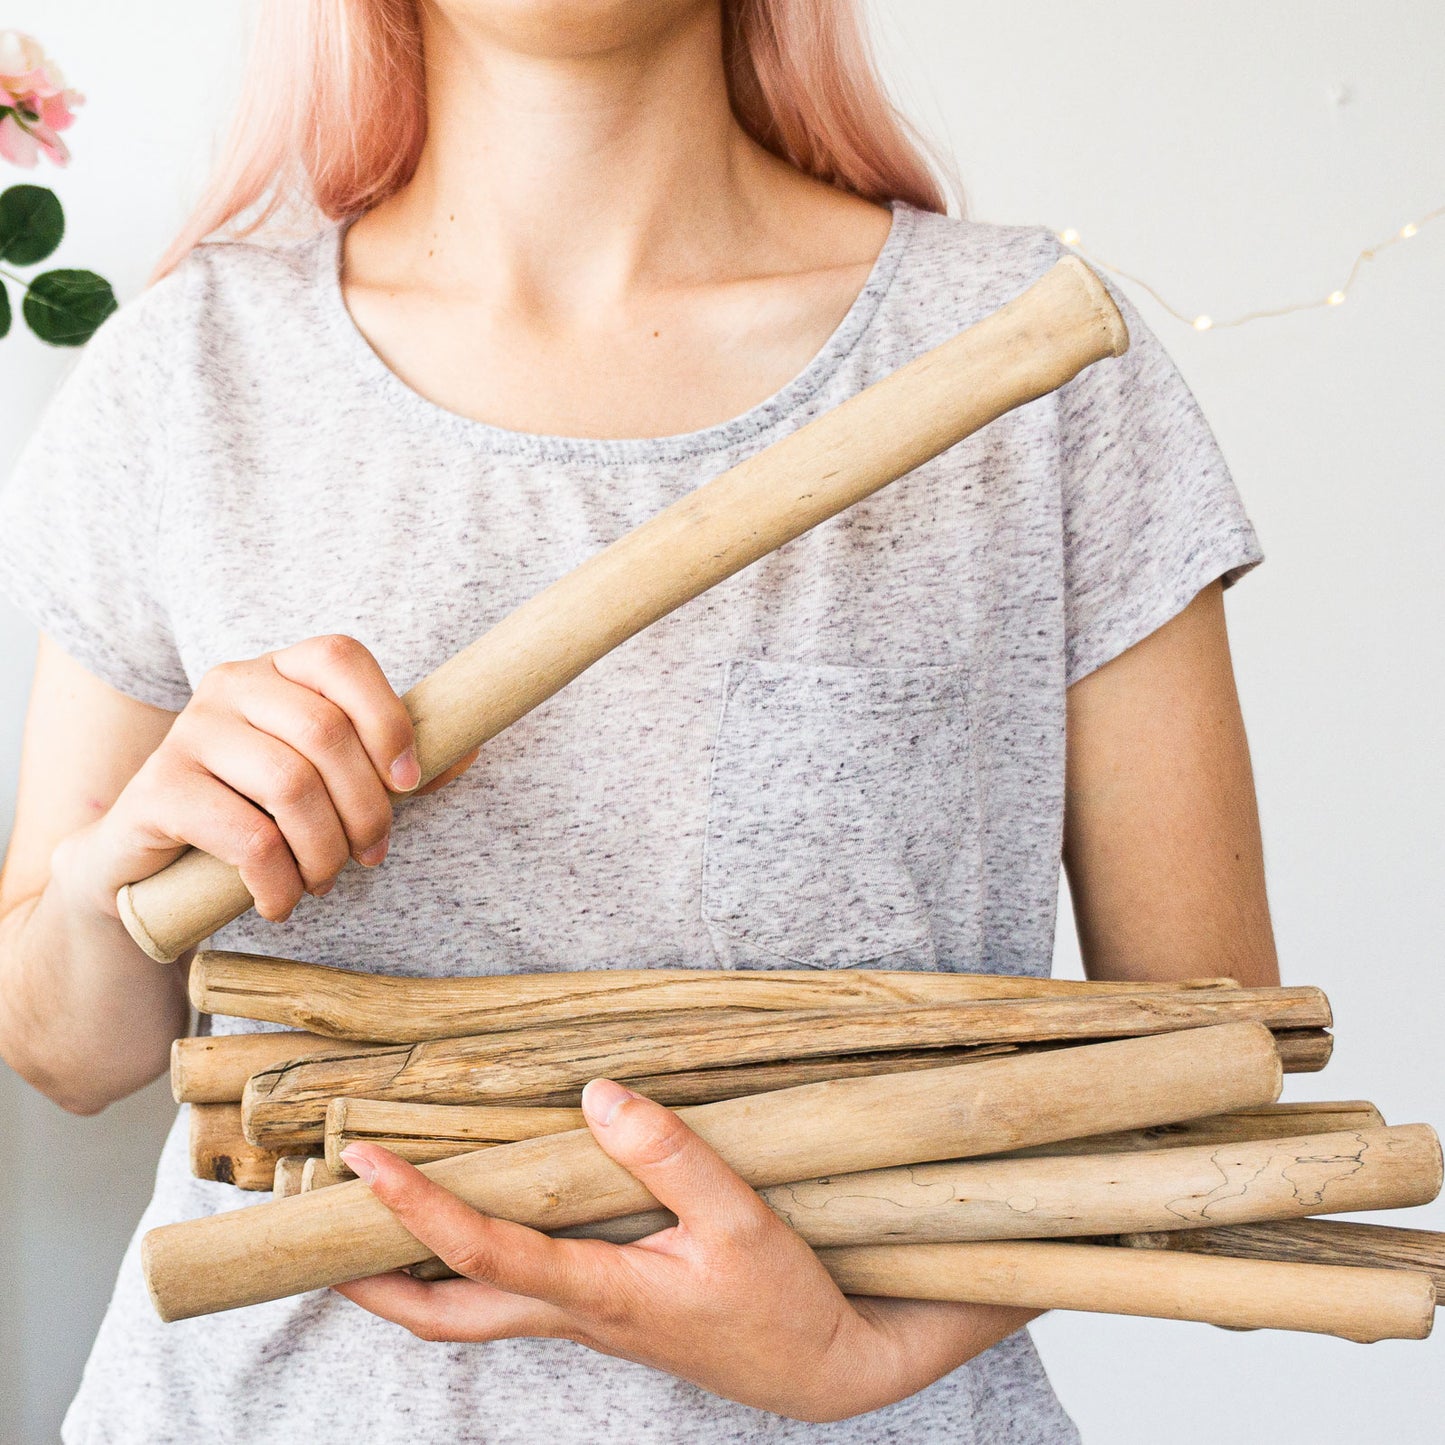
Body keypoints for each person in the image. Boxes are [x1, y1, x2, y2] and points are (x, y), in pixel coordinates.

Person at [0, 1, 1280, 1440]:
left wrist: (872, 1354)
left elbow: (1203, 1076)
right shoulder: (188, 372)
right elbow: (64, 1047)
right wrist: (124, 867)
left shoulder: (1031, 367)